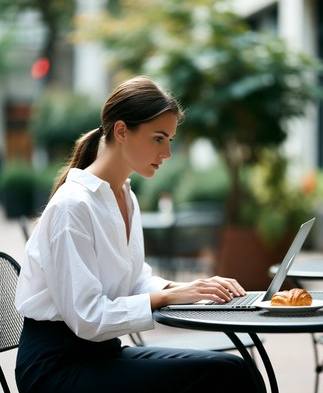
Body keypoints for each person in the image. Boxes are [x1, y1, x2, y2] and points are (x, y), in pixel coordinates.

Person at [14, 76, 262, 393]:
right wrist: (169, 297)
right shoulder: (72, 206)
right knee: (220, 377)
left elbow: (133, 281)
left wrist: (190, 288)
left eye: (170, 140)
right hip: (57, 369)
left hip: (102, 356)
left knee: (234, 367)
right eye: (159, 138)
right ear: (121, 131)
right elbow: (88, 317)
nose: (168, 153)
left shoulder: (125, 197)